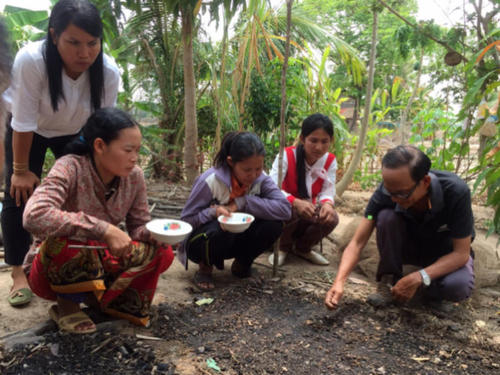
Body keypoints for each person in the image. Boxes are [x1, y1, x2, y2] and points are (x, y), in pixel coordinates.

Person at [2, 0, 120, 307]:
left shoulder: (107, 71)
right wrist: (19, 169)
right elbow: (23, 121)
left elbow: (102, 125)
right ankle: (18, 272)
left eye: (92, 43)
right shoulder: (32, 61)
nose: (84, 53)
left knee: (83, 191)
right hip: (30, 129)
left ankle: (83, 262)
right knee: (18, 194)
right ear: (54, 36)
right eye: (74, 43)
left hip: (77, 133)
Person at [23, 108, 174, 333]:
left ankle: (109, 301)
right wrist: (102, 229)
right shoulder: (70, 167)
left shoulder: (135, 177)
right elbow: (34, 215)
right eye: (128, 150)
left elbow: (138, 226)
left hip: (103, 258)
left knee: (162, 252)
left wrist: (153, 234)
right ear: (100, 146)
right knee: (65, 240)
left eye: (138, 150)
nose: (134, 158)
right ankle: (67, 305)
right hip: (52, 267)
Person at [325, 145, 475, 310]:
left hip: (442, 252)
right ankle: (388, 282)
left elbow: (461, 254)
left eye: (402, 194)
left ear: (425, 182)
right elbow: (357, 243)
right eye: (390, 193)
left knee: (457, 286)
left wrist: (420, 276)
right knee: (386, 217)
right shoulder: (386, 192)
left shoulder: (456, 192)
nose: (395, 199)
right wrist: (339, 282)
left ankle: (432, 295)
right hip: (408, 247)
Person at [179, 131, 292, 291]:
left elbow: (285, 209)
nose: (253, 175)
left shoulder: (261, 179)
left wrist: (243, 202)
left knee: (274, 224)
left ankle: (242, 264)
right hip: (204, 242)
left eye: (258, 168)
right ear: (231, 162)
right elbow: (186, 222)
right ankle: (205, 267)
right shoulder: (210, 181)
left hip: (237, 240)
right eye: (247, 170)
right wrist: (213, 212)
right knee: (218, 229)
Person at [268, 113, 339, 266]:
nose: (318, 147)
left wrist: (327, 205)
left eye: (324, 141)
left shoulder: (330, 161)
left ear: (331, 141)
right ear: (302, 138)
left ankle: (303, 248)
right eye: (313, 140)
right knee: (289, 211)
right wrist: (295, 202)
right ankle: (282, 247)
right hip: (284, 209)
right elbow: (272, 187)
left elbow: (328, 190)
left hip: (309, 210)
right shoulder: (286, 155)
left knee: (331, 218)